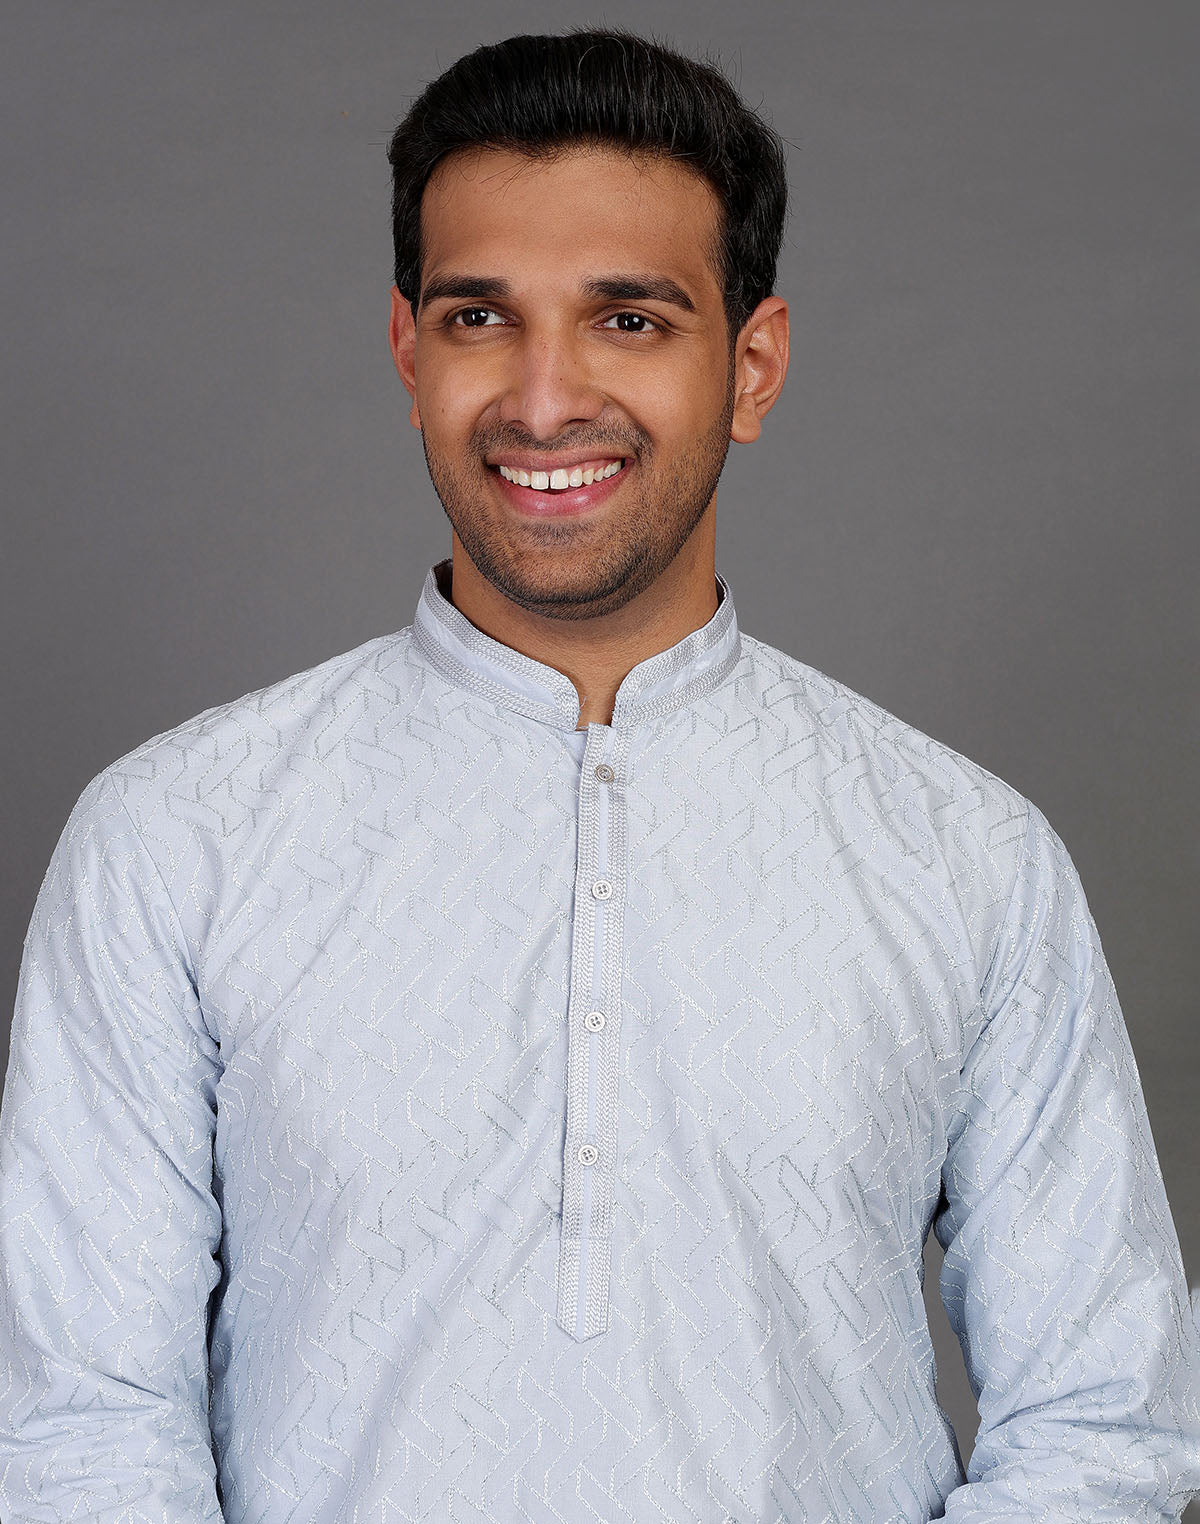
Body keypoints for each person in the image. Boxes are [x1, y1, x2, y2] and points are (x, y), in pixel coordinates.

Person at [0, 25, 1196, 1523]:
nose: (544, 398)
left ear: (751, 365)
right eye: (480, 317)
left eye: (629, 320)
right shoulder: (175, 839)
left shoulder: (967, 858)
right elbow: (81, 1433)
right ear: (408, 351)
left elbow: (1105, 1422)